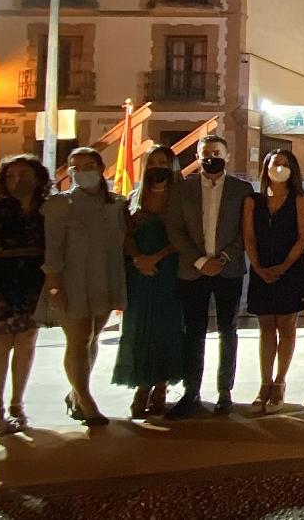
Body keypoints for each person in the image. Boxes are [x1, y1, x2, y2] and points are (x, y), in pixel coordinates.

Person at [166, 135, 252, 418]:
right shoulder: (183, 189)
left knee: (228, 331)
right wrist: (201, 260)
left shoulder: (242, 189)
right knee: (194, 332)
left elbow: (245, 232)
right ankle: (192, 392)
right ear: (198, 156)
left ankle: (225, 391)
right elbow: (175, 229)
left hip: (228, 269)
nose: (210, 157)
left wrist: (224, 258)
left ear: (226, 157)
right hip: (193, 270)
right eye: (205, 153)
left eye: (216, 152)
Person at [41, 147, 128, 426]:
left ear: (101, 168)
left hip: (105, 277)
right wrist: (54, 286)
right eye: (75, 167)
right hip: (72, 280)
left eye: (88, 165)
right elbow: (52, 250)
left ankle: (76, 393)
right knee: (77, 339)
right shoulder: (59, 204)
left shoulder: (115, 204)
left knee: (92, 338)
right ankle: (86, 400)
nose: (82, 172)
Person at [112, 146, 186, 419]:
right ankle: (141, 385)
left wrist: (156, 257)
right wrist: (138, 258)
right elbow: (126, 234)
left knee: (166, 327)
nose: (157, 166)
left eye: (162, 162)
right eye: (152, 162)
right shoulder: (134, 198)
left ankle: (161, 386)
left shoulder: (180, 198)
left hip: (168, 270)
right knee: (138, 327)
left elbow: (183, 235)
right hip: (139, 272)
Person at [243, 149, 304, 414]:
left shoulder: (298, 200)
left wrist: (283, 266)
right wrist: (257, 266)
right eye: (275, 164)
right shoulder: (253, 201)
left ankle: (280, 381)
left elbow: (303, 237)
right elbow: (248, 236)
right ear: (266, 167)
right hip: (261, 268)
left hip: (290, 268)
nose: (280, 169)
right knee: (266, 327)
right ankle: (264, 382)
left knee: (287, 325)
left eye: (285, 165)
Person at [0, 155, 50, 436]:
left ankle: (17, 404)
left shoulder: (47, 210)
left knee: (27, 343)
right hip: (0, 285)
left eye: (24, 175)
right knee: (0, 345)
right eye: (11, 176)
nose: (18, 181)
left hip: (33, 285)